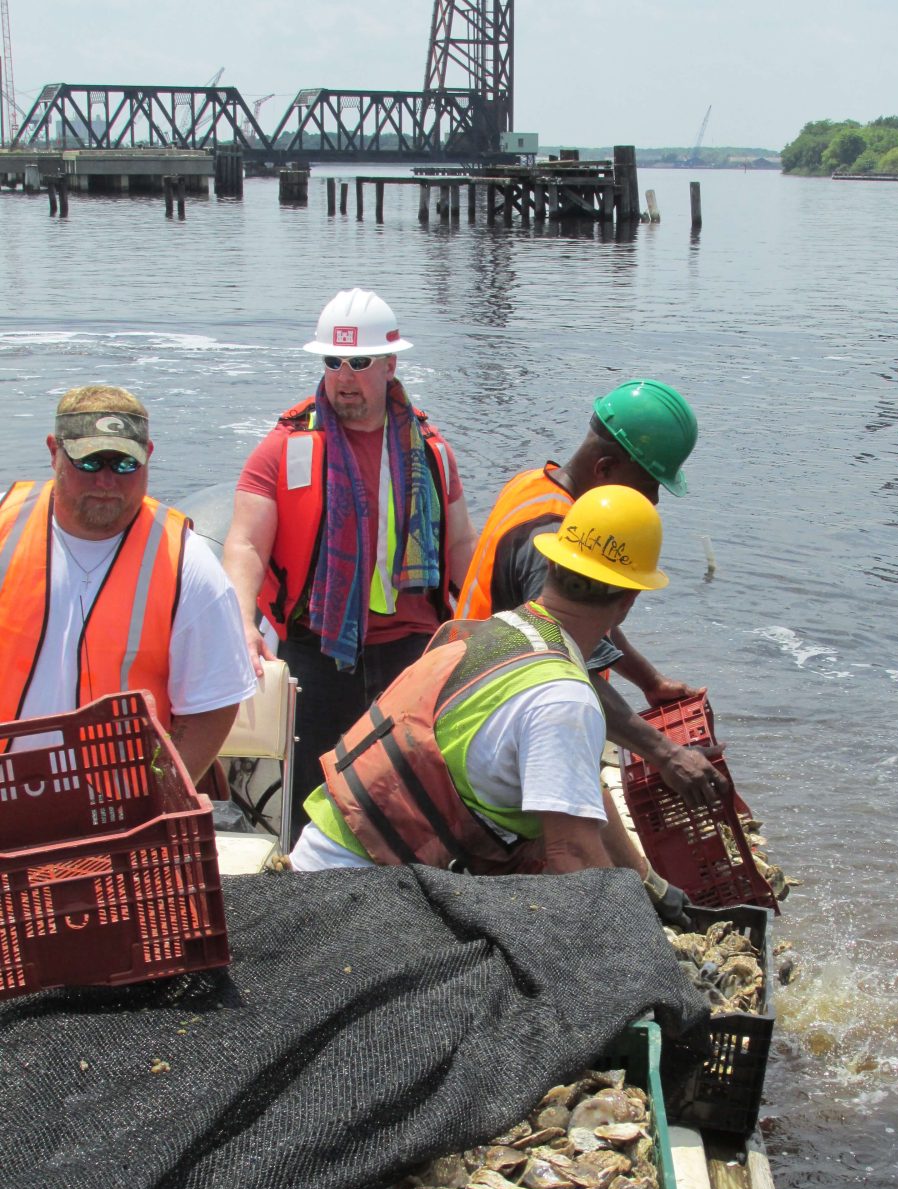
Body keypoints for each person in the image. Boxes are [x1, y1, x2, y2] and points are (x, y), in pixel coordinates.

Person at [289, 485, 690, 924]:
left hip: (318, 861)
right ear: (629, 600)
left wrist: (649, 885)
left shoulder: (501, 634)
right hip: (355, 900)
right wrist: (640, 943)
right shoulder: (565, 698)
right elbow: (571, 856)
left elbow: (582, 791)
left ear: (552, 567)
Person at [222, 287, 478, 843]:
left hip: (412, 649)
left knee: (412, 802)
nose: (343, 375)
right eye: (332, 361)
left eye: (359, 362)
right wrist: (240, 623)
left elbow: (461, 549)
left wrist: (495, 630)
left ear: (390, 364)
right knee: (309, 804)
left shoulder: (431, 452)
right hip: (317, 649)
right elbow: (244, 544)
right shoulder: (283, 447)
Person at [455, 380, 726, 808]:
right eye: (649, 483)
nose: (654, 500)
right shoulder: (552, 538)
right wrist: (665, 753)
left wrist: (649, 681)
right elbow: (556, 660)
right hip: (494, 719)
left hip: (481, 691)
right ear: (604, 469)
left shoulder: (535, 486)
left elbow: (583, 616)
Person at [0, 385, 254, 783]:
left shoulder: (186, 562)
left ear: (148, 455)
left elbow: (213, 706)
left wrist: (159, 797)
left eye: (124, 465)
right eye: (89, 463)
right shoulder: (5, 527)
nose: (106, 481)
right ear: (54, 451)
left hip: (119, 812)